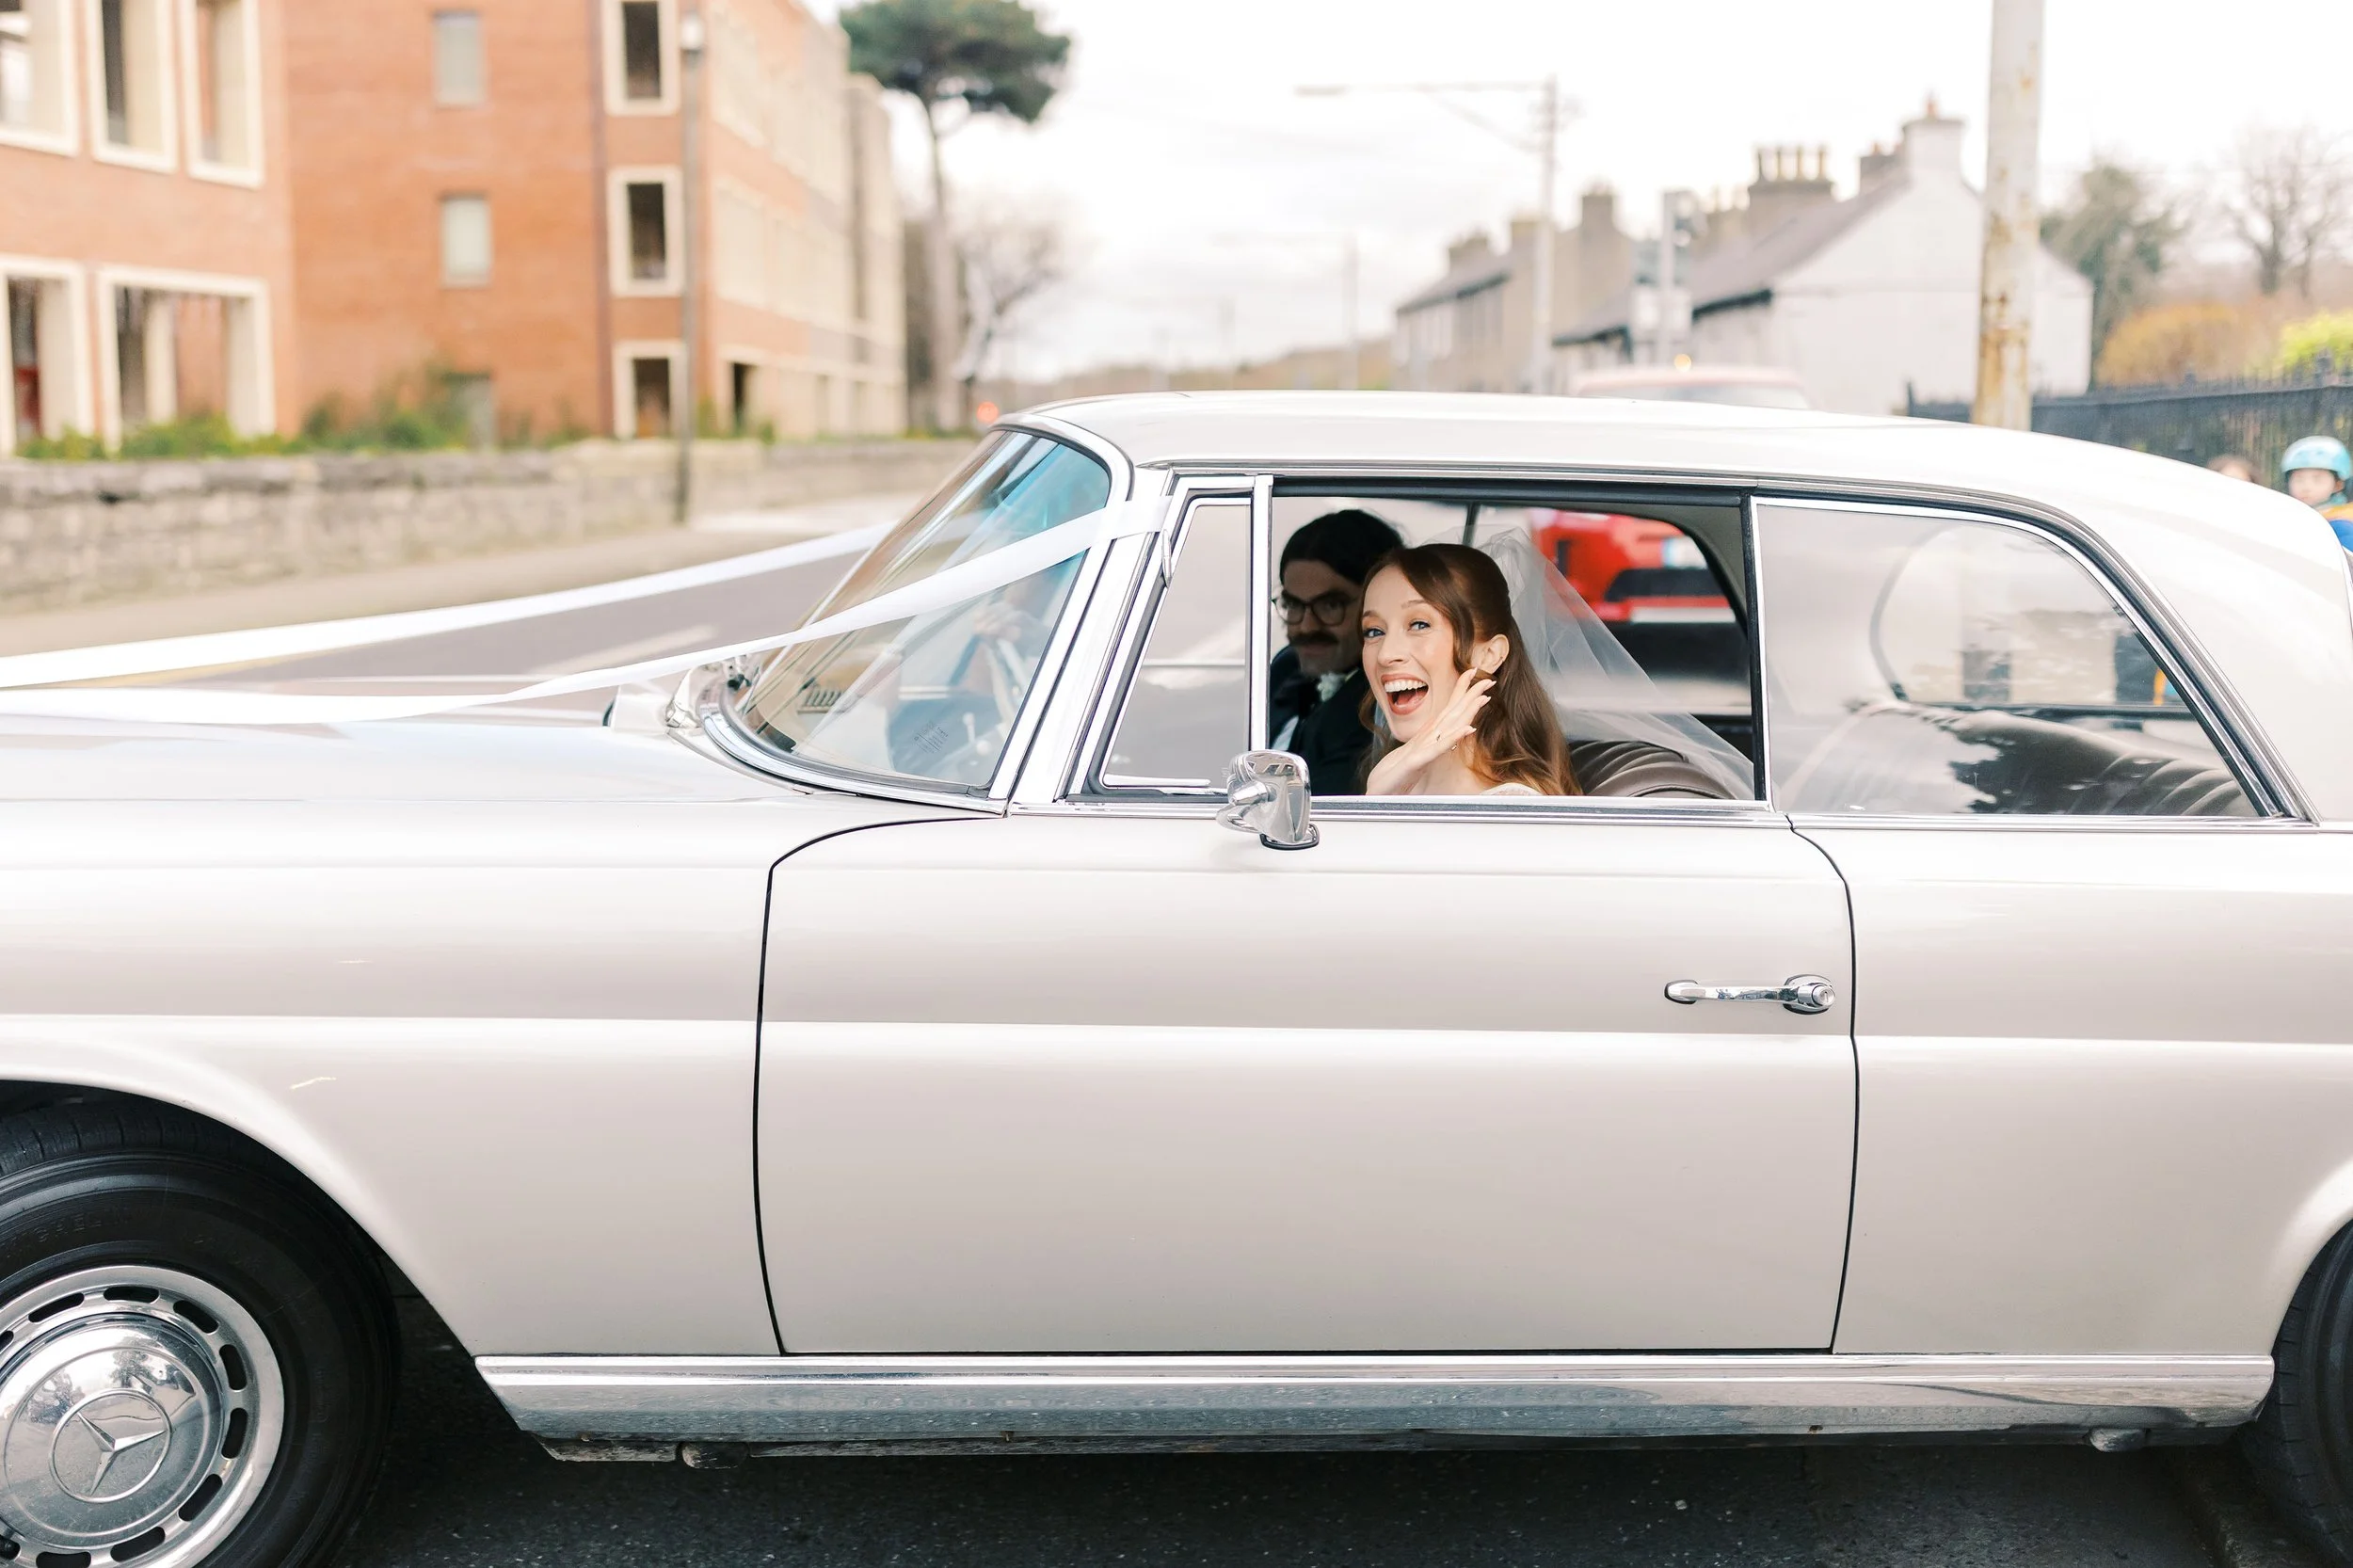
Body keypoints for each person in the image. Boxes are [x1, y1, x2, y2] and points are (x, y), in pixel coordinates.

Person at [1357, 542, 1575, 796]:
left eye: (1419, 625)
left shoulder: (1508, 807)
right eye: (1374, 631)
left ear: (1489, 655)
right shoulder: (1392, 777)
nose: (1386, 655)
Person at [1269, 508, 1404, 792]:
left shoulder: (1386, 711)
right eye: (1293, 604)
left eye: (1330, 605)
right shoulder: (1287, 667)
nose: (1305, 627)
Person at [2282, 436, 2353, 549]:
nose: (2306, 487)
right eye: (2299, 479)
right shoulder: (2285, 518)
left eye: (2318, 479)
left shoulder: (2343, 524)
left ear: (2338, 484)